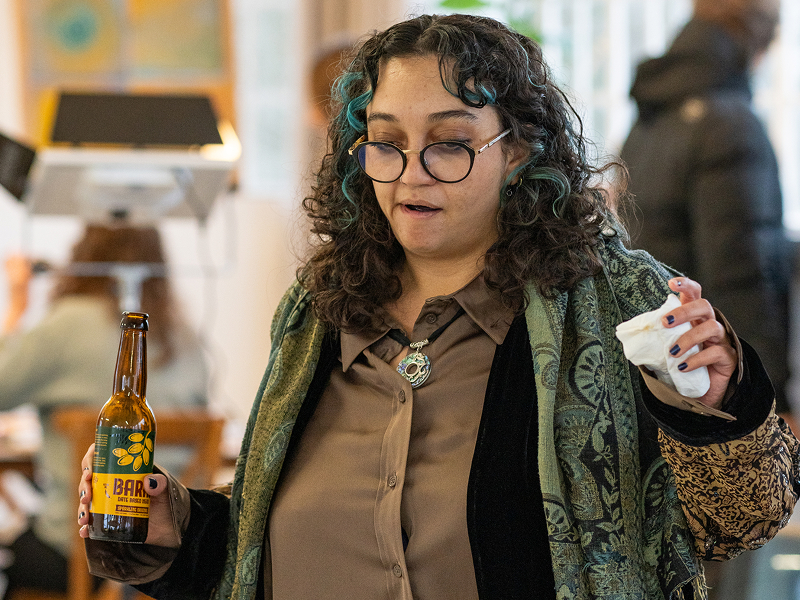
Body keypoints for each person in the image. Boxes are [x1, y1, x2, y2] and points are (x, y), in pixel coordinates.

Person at [77, 14, 798, 600]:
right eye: (386, 142)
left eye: (449, 144)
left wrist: (717, 404)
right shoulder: (319, 310)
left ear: (520, 150)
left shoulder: (616, 300)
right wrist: (179, 526)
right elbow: (263, 541)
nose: (411, 174)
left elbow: (745, 517)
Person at [0, 223, 209, 596]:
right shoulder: (184, 335)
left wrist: (17, 305)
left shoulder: (68, 322)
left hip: (80, 548)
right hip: (167, 553)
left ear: (84, 257)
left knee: (14, 558)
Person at [620, 0, 794, 430]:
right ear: (760, 40)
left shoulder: (650, 120)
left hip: (653, 378)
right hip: (711, 386)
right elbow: (743, 274)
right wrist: (768, 401)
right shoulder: (729, 123)